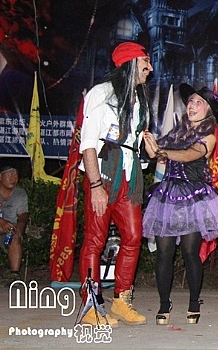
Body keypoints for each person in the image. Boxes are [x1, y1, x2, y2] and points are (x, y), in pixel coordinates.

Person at [142, 83, 218, 325]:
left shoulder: (209, 137)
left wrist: (163, 152)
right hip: (167, 196)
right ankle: (164, 304)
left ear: (208, 111)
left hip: (193, 198)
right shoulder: (175, 133)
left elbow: (190, 154)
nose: (192, 105)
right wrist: (148, 141)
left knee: (190, 253)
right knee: (164, 253)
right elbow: (153, 153)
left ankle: (194, 302)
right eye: (190, 101)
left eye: (198, 103)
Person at [78, 41, 153, 327]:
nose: (150, 68)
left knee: (133, 236)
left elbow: (134, 142)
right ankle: (90, 306)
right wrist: (95, 185)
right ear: (130, 63)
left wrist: (151, 148)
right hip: (104, 175)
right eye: (145, 62)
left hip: (129, 177)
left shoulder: (139, 99)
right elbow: (88, 143)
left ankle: (121, 300)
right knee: (95, 240)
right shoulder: (101, 93)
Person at [0, 166, 28, 285]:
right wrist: (2, 222)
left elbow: (23, 214)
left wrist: (21, 225)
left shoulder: (20, 193)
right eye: (10, 175)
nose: (14, 178)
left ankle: (14, 275)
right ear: (0, 177)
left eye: (16, 175)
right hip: (2, 224)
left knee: (14, 235)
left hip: (9, 228)